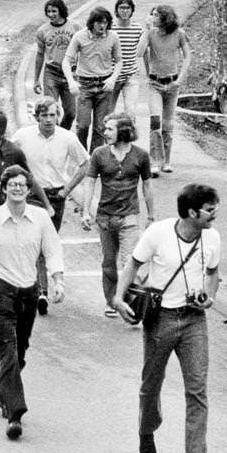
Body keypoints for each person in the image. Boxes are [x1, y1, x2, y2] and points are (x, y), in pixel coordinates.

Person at [114, 184, 221, 453]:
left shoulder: (212, 237)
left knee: (197, 390)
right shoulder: (158, 233)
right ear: (192, 212)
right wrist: (118, 298)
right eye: (210, 209)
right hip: (160, 319)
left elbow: (213, 272)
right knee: (152, 383)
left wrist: (209, 297)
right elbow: (133, 264)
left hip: (194, 321)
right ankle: (147, 429)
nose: (215, 214)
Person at [0, 165, 65, 440]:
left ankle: (3, 384)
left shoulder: (41, 218)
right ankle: (15, 413)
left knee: (21, 349)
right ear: (4, 188)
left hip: (29, 291)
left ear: (29, 189)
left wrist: (58, 280)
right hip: (0, 289)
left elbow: (52, 249)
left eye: (22, 184)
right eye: (12, 184)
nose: (17, 188)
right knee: (7, 349)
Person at [12, 97, 89, 312]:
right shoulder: (22, 136)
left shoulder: (68, 138)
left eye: (52, 115)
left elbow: (85, 164)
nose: (48, 119)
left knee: (46, 244)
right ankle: (40, 292)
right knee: (31, 242)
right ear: (37, 116)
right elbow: (9, 158)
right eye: (44, 115)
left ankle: (38, 288)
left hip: (56, 195)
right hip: (30, 196)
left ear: (58, 116)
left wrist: (67, 190)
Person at [82, 113, 154, 318]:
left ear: (123, 131)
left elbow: (147, 185)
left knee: (131, 261)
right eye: (105, 129)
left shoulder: (140, 155)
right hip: (105, 216)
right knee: (108, 263)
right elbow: (89, 181)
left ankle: (131, 302)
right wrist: (86, 211)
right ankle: (111, 299)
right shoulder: (99, 154)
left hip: (130, 216)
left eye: (110, 129)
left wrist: (151, 215)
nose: (105, 133)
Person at [139, 5, 191, 176]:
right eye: (152, 14)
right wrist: (146, 31)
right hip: (155, 84)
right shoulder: (151, 33)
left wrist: (180, 79)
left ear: (165, 18)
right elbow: (140, 52)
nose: (152, 17)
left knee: (168, 125)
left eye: (156, 15)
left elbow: (187, 56)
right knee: (155, 122)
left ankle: (166, 161)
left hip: (172, 84)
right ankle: (154, 161)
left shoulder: (179, 34)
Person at [63, 6, 122, 152]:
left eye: (105, 22)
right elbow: (66, 60)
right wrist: (71, 81)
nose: (102, 26)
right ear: (92, 23)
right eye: (99, 22)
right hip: (85, 85)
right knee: (82, 125)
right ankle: (82, 157)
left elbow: (119, 61)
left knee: (100, 127)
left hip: (104, 85)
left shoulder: (113, 37)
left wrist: (113, 79)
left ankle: (94, 158)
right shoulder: (80, 36)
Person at [34, 0, 80, 130]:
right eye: (48, 11)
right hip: (52, 73)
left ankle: (62, 132)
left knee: (71, 113)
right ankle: (54, 135)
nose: (51, 14)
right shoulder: (42, 31)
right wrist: (36, 79)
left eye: (54, 11)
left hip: (70, 74)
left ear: (61, 11)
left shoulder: (75, 27)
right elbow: (40, 54)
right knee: (50, 109)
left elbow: (84, 49)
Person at [112, 0, 145, 115]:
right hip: (112, 76)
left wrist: (148, 71)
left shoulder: (137, 29)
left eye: (127, 8)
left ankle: (130, 134)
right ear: (117, 10)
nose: (125, 11)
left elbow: (144, 51)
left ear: (132, 10)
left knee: (130, 113)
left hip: (130, 76)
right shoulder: (110, 28)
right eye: (122, 8)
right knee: (107, 114)